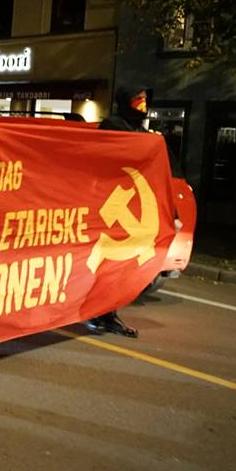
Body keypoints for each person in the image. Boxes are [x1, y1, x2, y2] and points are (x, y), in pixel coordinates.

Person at [85, 86, 150, 339]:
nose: (142, 108)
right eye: (138, 102)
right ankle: (95, 311)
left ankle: (109, 313)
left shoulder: (141, 132)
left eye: (144, 103)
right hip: (109, 203)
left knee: (121, 266)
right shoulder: (114, 125)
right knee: (104, 263)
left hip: (130, 203)